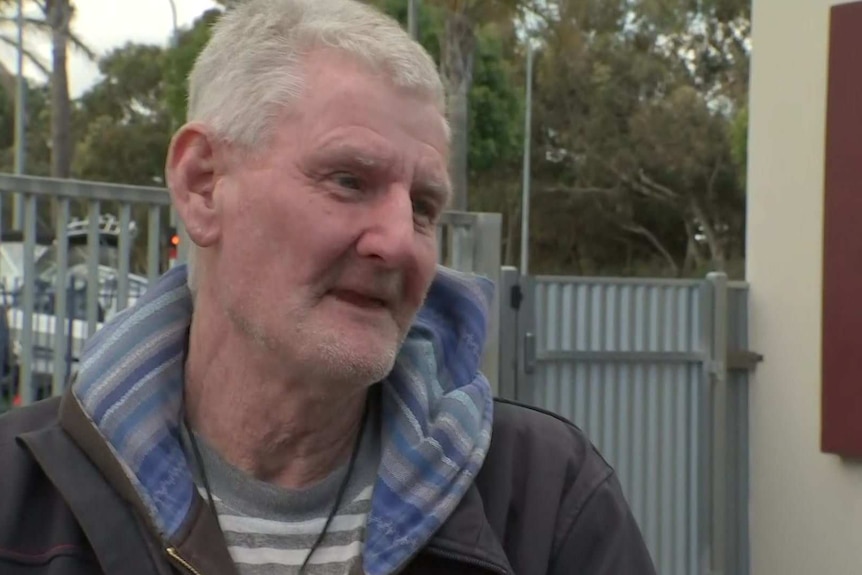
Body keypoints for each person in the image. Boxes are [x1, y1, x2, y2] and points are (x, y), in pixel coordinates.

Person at [0, 1, 657, 574]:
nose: (401, 241)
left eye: (425, 206)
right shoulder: (19, 499)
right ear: (203, 184)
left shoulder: (546, 504)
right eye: (348, 180)